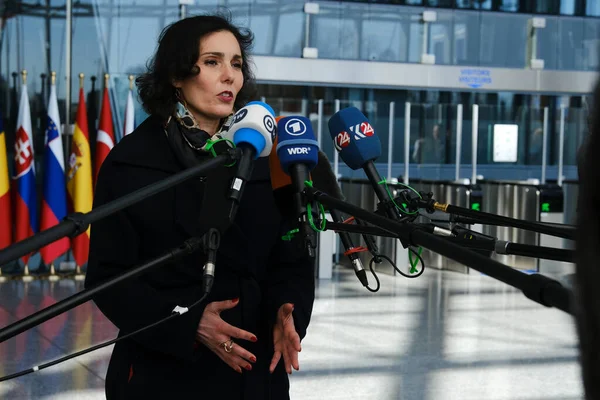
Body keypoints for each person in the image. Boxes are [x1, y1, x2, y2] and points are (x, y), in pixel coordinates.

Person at [84, 13, 315, 399]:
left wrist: (288, 310)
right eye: (213, 62)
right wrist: (188, 323)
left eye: (236, 64)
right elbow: (108, 279)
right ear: (177, 75)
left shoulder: (269, 157)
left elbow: (292, 255)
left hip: (255, 376)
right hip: (163, 375)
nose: (230, 76)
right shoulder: (131, 161)